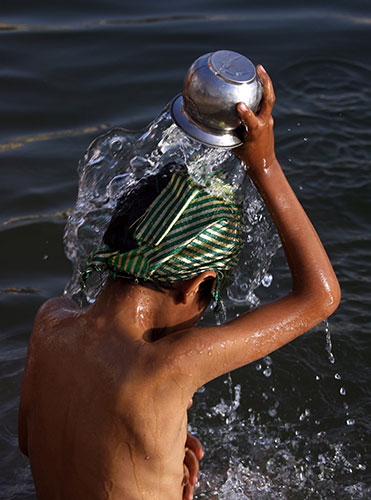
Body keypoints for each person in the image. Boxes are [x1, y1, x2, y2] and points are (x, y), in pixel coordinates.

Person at [18, 66, 340, 500]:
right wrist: (264, 165)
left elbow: (29, 441)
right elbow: (319, 297)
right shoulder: (169, 366)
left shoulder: (50, 323)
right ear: (197, 285)